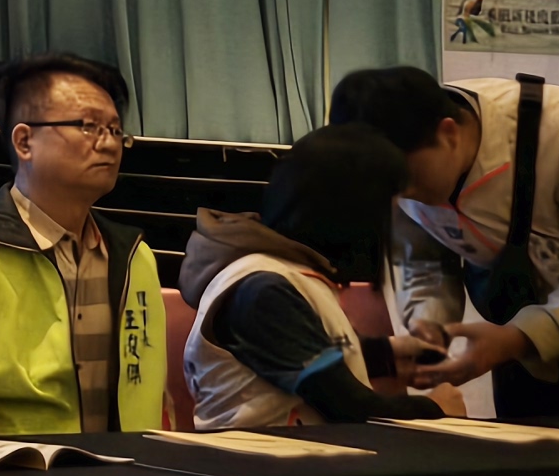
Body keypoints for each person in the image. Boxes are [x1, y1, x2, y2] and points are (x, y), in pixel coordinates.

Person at [0, 52, 164, 435]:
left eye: (116, 130)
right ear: (24, 141)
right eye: (89, 126)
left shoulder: (135, 256)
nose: (109, 144)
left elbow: (154, 397)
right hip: (12, 470)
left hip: (136, 469)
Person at [333, 62, 559, 423]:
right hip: (521, 359)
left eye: (407, 181)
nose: (403, 197)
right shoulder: (401, 162)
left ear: (448, 133)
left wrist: (516, 338)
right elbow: (423, 263)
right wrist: (429, 326)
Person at [181, 125, 441, 431]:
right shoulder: (263, 289)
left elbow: (304, 346)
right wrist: (436, 410)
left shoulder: (283, 274)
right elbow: (349, 406)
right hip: (264, 459)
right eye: (388, 212)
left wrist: (387, 354)